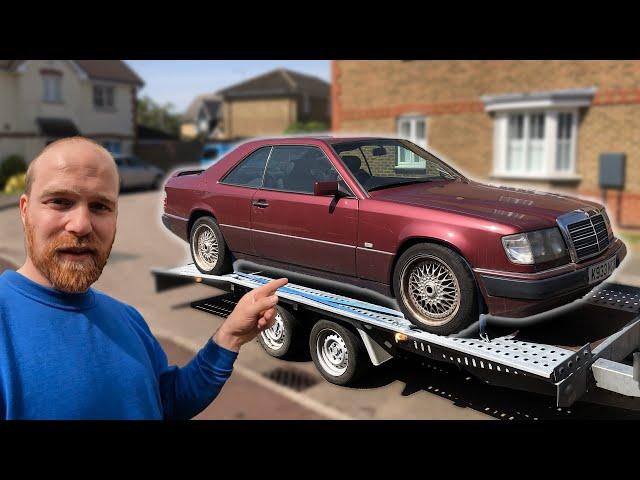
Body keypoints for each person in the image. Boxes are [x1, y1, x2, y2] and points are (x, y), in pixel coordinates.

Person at [0, 137, 288, 420]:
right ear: (25, 211)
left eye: (100, 206)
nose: (81, 225)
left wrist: (231, 336)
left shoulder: (127, 318)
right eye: (60, 202)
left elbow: (169, 402)